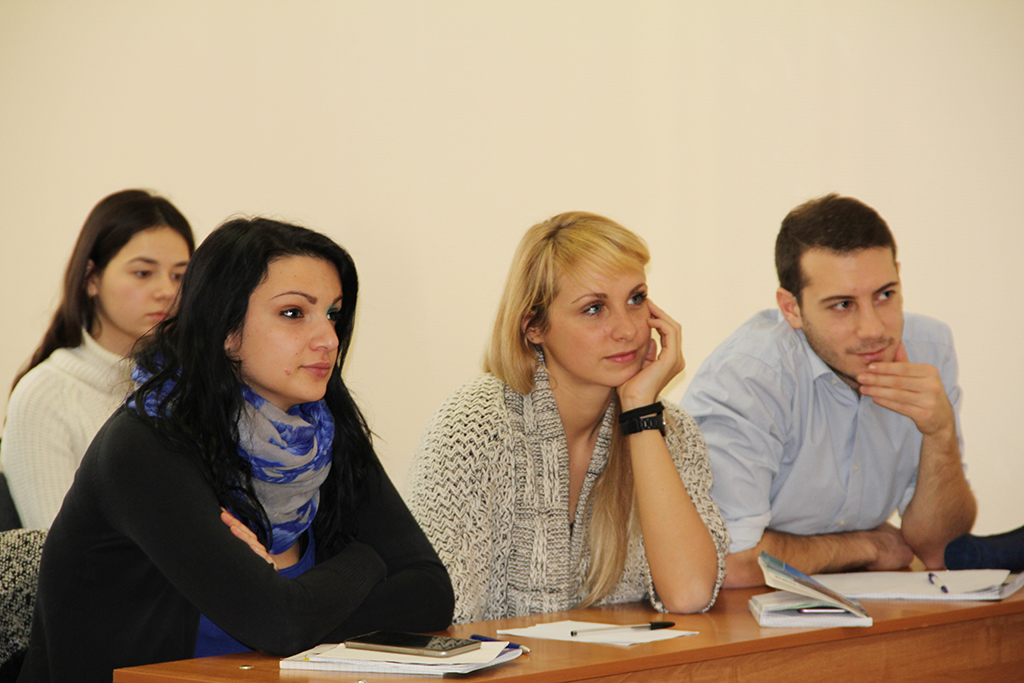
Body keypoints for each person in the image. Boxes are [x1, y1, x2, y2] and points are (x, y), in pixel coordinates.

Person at [18, 218, 454, 682]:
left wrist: (303, 605)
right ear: (226, 329)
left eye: (333, 314)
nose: (328, 338)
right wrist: (367, 561)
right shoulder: (145, 445)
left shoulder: (322, 434)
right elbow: (280, 623)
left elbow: (431, 593)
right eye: (294, 313)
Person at [406, 211, 728, 624]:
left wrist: (640, 414)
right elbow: (439, 619)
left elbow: (690, 593)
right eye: (594, 308)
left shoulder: (670, 430)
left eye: (636, 299)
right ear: (534, 326)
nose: (628, 330)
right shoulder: (474, 426)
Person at [682, 194, 976, 588]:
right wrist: (866, 546)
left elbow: (940, 549)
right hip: (741, 612)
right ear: (791, 309)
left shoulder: (929, 350)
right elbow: (727, 563)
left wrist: (940, 434)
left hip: (867, 603)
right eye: (842, 304)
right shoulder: (751, 376)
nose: (873, 329)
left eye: (885, 295)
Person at [2, 189, 194, 529]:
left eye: (179, 275)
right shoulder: (46, 395)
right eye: (143, 273)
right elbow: (55, 547)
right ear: (92, 278)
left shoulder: (186, 385)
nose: (167, 291)